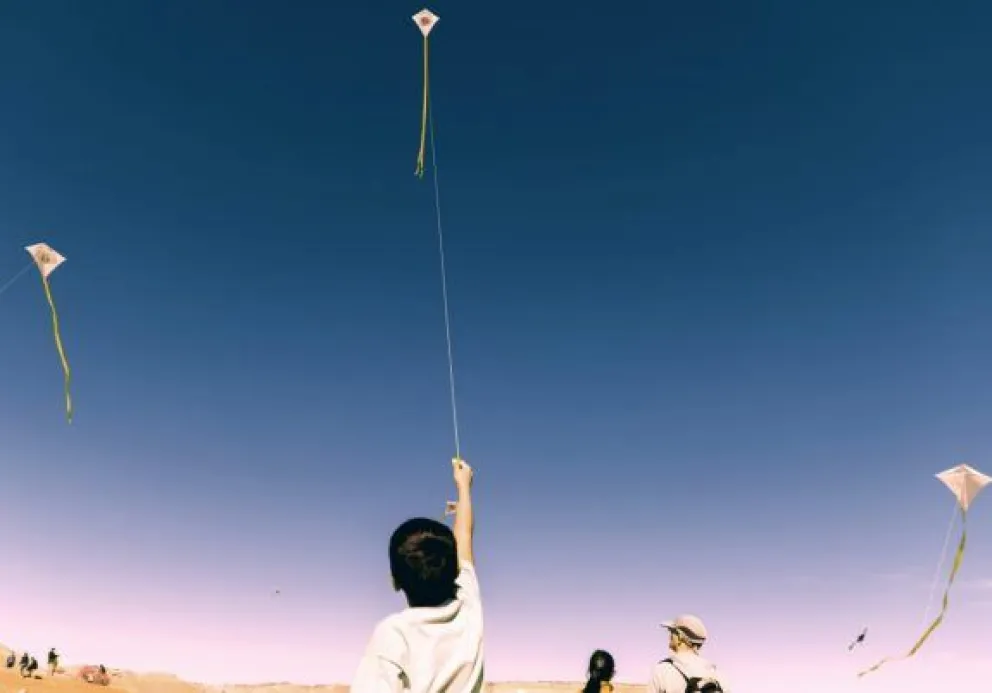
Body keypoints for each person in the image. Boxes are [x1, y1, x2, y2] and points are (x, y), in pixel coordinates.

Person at [352, 457, 482, 693]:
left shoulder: (393, 634)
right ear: (455, 571)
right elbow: (464, 536)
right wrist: (464, 486)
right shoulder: (469, 608)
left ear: (394, 581)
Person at [648, 615, 727, 693]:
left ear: (679, 637)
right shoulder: (716, 674)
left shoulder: (662, 670)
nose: (670, 636)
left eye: (672, 632)